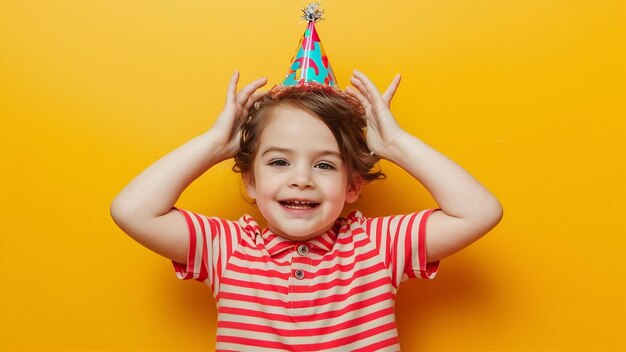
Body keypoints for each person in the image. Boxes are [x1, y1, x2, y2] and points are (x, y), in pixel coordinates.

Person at [110, 68, 503, 351]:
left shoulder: (377, 246)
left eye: (325, 164)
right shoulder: (227, 249)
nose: (302, 179)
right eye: (279, 162)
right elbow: (132, 210)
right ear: (250, 180)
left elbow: (479, 211)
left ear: (352, 186)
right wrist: (214, 144)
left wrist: (396, 143)